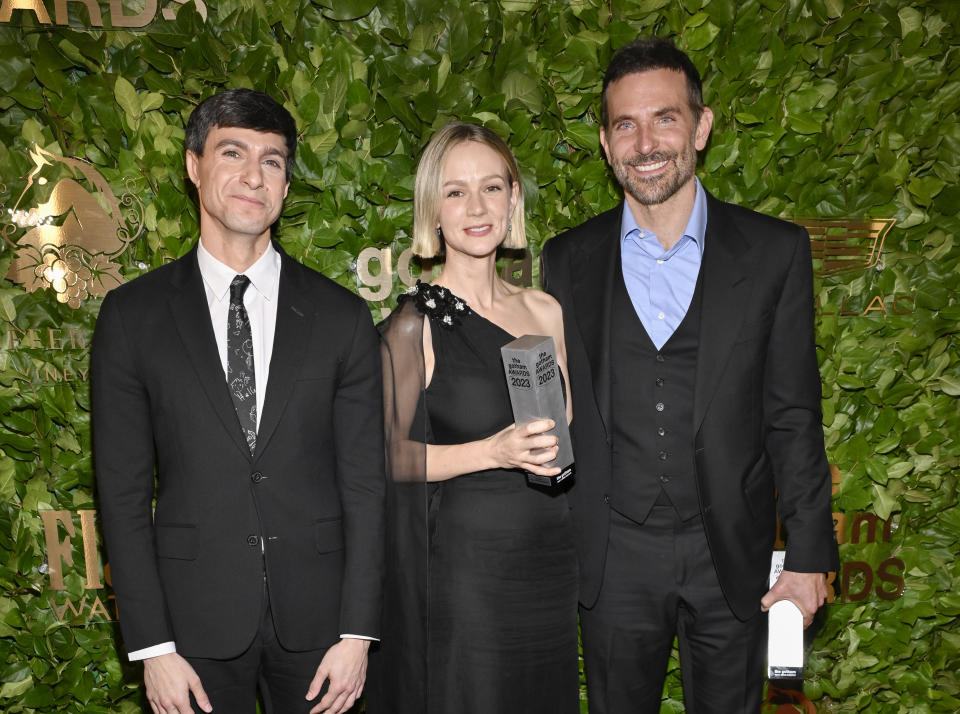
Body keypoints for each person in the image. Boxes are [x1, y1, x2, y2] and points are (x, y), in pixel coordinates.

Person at [541, 37, 839, 712]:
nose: (646, 143)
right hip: (615, 555)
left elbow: (792, 412)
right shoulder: (567, 259)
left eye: (665, 118)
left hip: (729, 551)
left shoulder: (774, 251)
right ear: (605, 142)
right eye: (625, 124)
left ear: (700, 127)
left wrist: (810, 553)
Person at [91, 88, 384, 714]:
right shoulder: (132, 317)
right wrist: (151, 647)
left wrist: (358, 633)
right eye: (233, 152)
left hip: (322, 628)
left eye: (273, 161)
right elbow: (119, 492)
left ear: (285, 184)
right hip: (188, 627)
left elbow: (365, 484)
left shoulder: (341, 315)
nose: (254, 175)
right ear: (195, 166)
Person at [375, 121, 579, 714]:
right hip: (468, 572)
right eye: (456, 191)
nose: (476, 207)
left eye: (492, 188)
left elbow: (566, 434)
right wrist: (492, 452)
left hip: (549, 559)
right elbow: (386, 457)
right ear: (433, 210)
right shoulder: (414, 323)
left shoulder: (545, 310)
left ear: (514, 198)